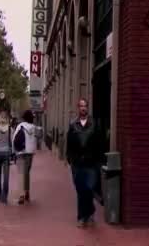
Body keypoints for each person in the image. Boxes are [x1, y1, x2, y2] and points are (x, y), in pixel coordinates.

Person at [66, 98, 102, 228]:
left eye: (85, 106)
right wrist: (69, 159)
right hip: (77, 163)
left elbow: (99, 143)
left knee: (89, 188)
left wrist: (99, 160)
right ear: (78, 108)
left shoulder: (94, 124)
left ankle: (89, 212)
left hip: (91, 163)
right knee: (81, 190)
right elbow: (69, 143)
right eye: (81, 106)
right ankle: (82, 217)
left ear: (87, 108)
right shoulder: (73, 125)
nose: (83, 108)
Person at [12, 110, 41, 205]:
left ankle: (21, 195)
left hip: (20, 152)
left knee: (21, 173)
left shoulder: (20, 126)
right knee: (27, 173)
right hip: (29, 153)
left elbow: (14, 138)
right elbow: (38, 137)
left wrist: (13, 151)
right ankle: (27, 192)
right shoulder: (33, 128)